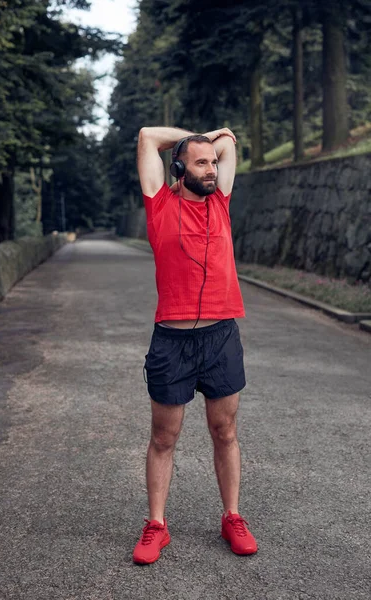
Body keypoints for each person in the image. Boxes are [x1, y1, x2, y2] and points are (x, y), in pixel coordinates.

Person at [133, 126, 257, 565]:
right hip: (172, 340)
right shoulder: (159, 205)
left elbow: (228, 145)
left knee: (224, 431)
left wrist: (208, 143)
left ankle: (232, 516)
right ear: (179, 168)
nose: (212, 168)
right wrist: (195, 138)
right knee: (164, 437)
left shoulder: (220, 203)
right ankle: (156, 525)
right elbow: (148, 136)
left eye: (213, 163)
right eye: (201, 163)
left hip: (221, 336)